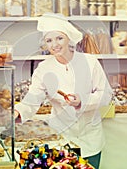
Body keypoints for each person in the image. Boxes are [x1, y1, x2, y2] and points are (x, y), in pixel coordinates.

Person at [14, 13, 113, 169]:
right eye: (49, 40)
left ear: (68, 38)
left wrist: (82, 100)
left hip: (90, 137)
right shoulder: (44, 69)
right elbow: (33, 99)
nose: (55, 45)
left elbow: (106, 95)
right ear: (45, 44)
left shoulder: (90, 62)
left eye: (59, 38)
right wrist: (18, 112)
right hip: (61, 138)